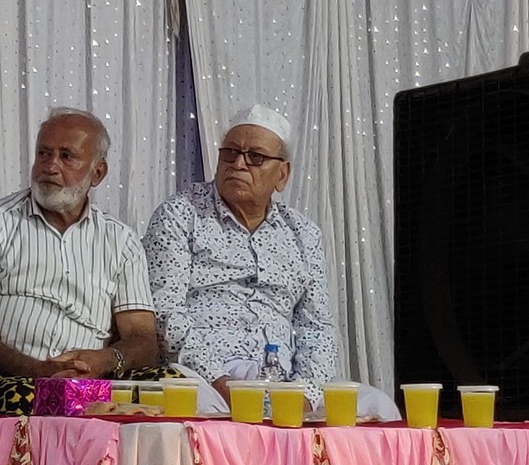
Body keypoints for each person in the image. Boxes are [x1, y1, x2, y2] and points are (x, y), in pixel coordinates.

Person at [142, 103, 400, 420]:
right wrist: (222, 383)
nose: (238, 164)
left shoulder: (303, 233)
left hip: (283, 382)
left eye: (256, 157)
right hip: (205, 378)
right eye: (230, 153)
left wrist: (306, 397)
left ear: (282, 175)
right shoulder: (181, 214)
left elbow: (317, 327)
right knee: (193, 409)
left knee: (377, 405)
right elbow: (165, 312)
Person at [0, 108, 162, 415]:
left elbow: (143, 339)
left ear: (97, 173)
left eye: (66, 156)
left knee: (171, 394)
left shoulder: (121, 240)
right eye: (43, 154)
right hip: (14, 379)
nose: (50, 166)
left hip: (94, 381)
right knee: (35, 402)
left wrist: (106, 360)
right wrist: (38, 371)